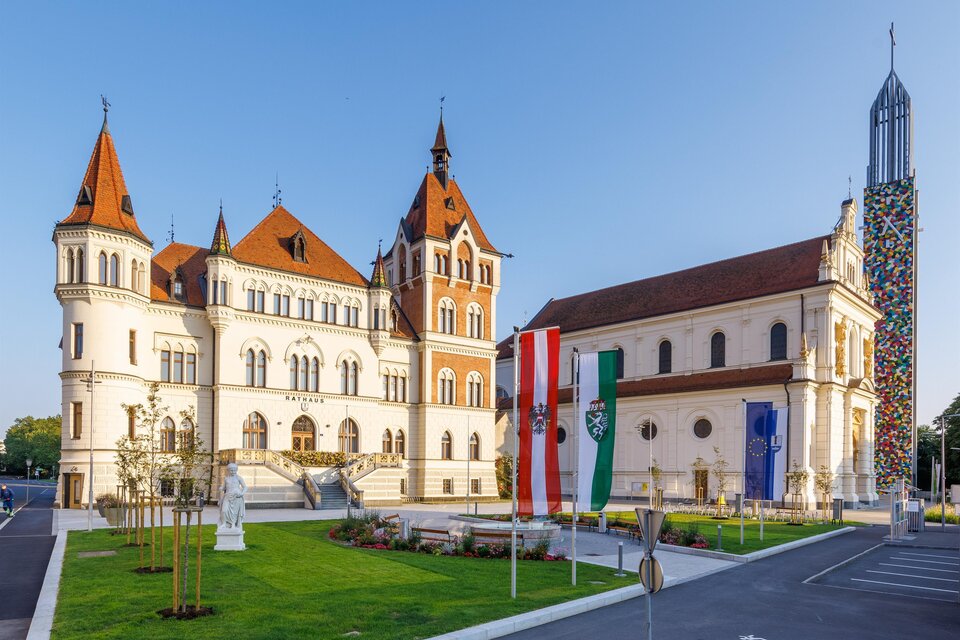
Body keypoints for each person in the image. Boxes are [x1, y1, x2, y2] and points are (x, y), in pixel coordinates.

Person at [218, 463, 246, 529]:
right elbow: (224, 487)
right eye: (231, 470)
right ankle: (224, 523)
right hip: (227, 496)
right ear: (228, 470)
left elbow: (245, 487)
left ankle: (233, 524)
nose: (233, 472)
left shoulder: (239, 478)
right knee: (224, 510)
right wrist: (221, 488)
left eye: (234, 470)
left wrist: (242, 493)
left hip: (236, 497)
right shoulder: (226, 479)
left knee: (234, 512)